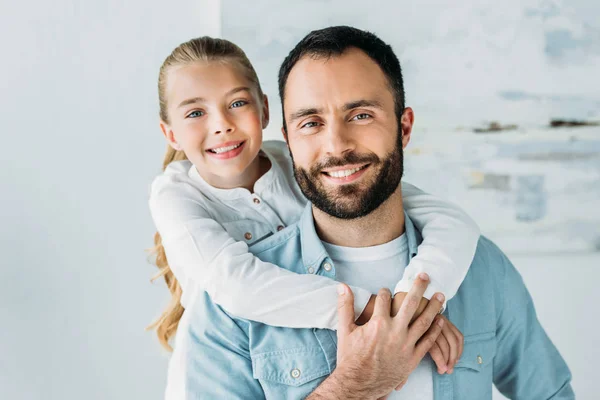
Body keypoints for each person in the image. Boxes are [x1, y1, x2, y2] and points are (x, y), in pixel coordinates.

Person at [164, 26, 574, 399]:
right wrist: (355, 385)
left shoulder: (482, 267)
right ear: (287, 139)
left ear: (404, 127)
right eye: (310, 123)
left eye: (360, 115)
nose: (336, 144)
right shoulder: (227, 309)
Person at [148, 35, 481, 375]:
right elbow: (237, 286)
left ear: (264, 109)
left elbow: (445, 218)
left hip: (321, 353)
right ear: (170, 133)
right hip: (224, 366)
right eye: (195, 112)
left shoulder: (304, 161)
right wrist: (386, 317)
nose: (221, 125)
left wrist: (416, 302)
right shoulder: (174, 196)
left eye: (236, 103)